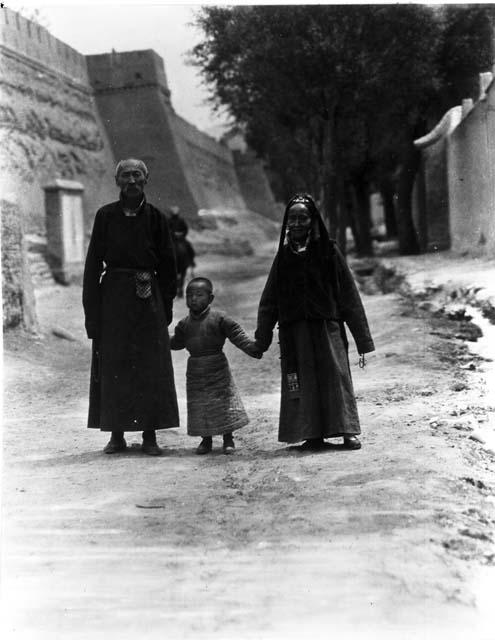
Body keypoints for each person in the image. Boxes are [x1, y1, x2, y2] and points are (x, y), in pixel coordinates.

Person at [254, 193, 375, 451]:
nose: (297, 224)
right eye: (292, 219)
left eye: (302, 218)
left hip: (326, 328)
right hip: (295, 332)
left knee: (336, 376)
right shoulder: (284, 257)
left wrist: (362, 339)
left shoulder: (328, 252)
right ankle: (312, 434)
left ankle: (348, 431)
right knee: (303, 381)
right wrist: (262, 338)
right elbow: (269, 301)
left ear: (312, 221)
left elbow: (349, 296)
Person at [83, 158, 179, 456]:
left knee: (150, 364)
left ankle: (150, 435)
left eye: (137, 174)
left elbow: (168, 266)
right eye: (125, 175)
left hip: (147, 296)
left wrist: (163, 306)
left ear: (146, 179)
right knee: (115, 362)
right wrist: (92, 312)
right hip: (112, 297)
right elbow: (92, 264)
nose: (132, 180)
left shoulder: (156, 218)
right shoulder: (105, 216)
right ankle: (116, 434)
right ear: (117, 181)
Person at [170, 277, 261, 455]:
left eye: (199, 295)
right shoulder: (184, 324)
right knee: (200, 405)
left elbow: (238, 335)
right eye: (189, 295)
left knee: (223, 403)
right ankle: (206, 440)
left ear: (210, 299)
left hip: (217, 367)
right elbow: (176, 343)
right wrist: (158, 339)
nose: (193, 299)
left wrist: (253, 348)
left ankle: (228, 438)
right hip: (195, 369)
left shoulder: (220, 318)